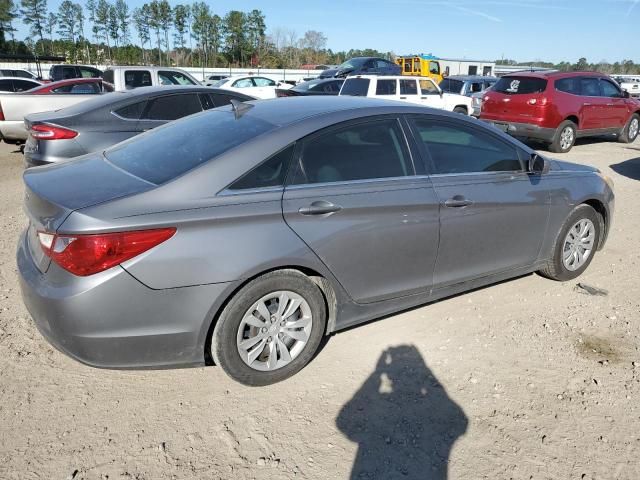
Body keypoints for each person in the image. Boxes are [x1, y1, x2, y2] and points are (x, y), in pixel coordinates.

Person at [336, 345, 467, 479]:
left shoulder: (383, 402)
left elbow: (342, 421)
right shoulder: (439, 410)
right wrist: (427, 373)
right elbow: (460, 421)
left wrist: (376, 374)